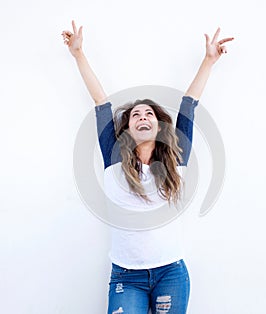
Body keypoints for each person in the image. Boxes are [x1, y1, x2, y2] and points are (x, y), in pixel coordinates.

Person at [62, 20, 233, 314]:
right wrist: (78, 54)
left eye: (149, 113)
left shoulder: (175, 161)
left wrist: (208, 61)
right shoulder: (113, 160)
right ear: (127, 129)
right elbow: (100, 101)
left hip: (172, 274)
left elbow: (189, 105)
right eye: (136, 114)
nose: (143, 116)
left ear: (157, 125)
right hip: (127, 277)